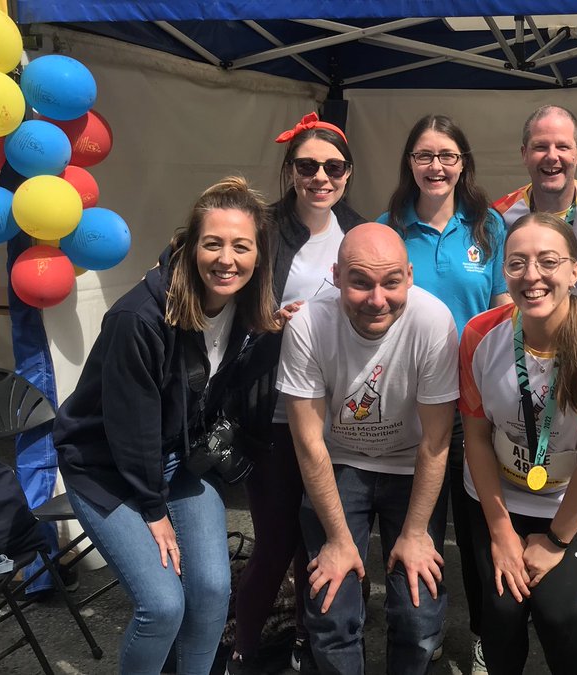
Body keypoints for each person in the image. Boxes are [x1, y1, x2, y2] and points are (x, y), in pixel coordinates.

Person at [54, 177, 279, 674]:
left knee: (213, 589)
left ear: (259, 255)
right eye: (213, 243)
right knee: (162, 606)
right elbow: (129, 428)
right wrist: (154, 513)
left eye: (241, 246)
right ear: (189, 244)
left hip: (178, 459)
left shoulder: (245, 309)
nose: (227, 259)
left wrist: (281, 329)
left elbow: (230, 384)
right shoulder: (139, 318)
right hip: (106, 468)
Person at [278, 223, 459, 674]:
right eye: (360, 282)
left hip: (411, 464)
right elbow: (309, 444)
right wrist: (338, 541)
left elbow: (437, 442)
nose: (377, 299)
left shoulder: (433, 321)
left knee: (418, 615)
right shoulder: (308, 325)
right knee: (331, 612)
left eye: (391, 282)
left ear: (410, 276)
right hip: (338, 463)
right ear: (337, 275)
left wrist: (417, 534)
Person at [459, 212, 577, 675]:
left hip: (567, 500)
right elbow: (475, 436)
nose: (531, 275)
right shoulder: (479, 335)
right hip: (498, 494)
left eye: (547, 261)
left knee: (557, 614)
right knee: (500, 612)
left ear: (575, 271)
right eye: (517, 263)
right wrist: (500, 532)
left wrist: (554, 541)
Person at [225, 112, 363, 674]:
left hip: (339, 415)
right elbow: (223, 305)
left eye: (333, 167)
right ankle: (243, 644)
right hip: (274, 411)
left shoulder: (358, 231)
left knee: (324, 538)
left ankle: (313, 638)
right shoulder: (262, 228)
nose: (320, 177)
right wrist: (266, 320)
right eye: (307, 166)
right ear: (290, 170)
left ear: (348, 173)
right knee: (277, 540)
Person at [379, 113, 508, 671]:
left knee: (480, 529)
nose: (436, 167)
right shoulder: (388, 227)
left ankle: (485, 633)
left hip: (479, 403)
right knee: (422, 524)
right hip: (413, 402)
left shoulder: (489, 225)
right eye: (425, 156)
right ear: (409, 162)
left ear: (463, 163)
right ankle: (419, 637)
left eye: (447, 156)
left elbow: (505, 307)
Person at [493, 105, 577, 294]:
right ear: (525, 154)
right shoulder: (499, 215)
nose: (551, 156)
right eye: (540, 147)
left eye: (562, 146)